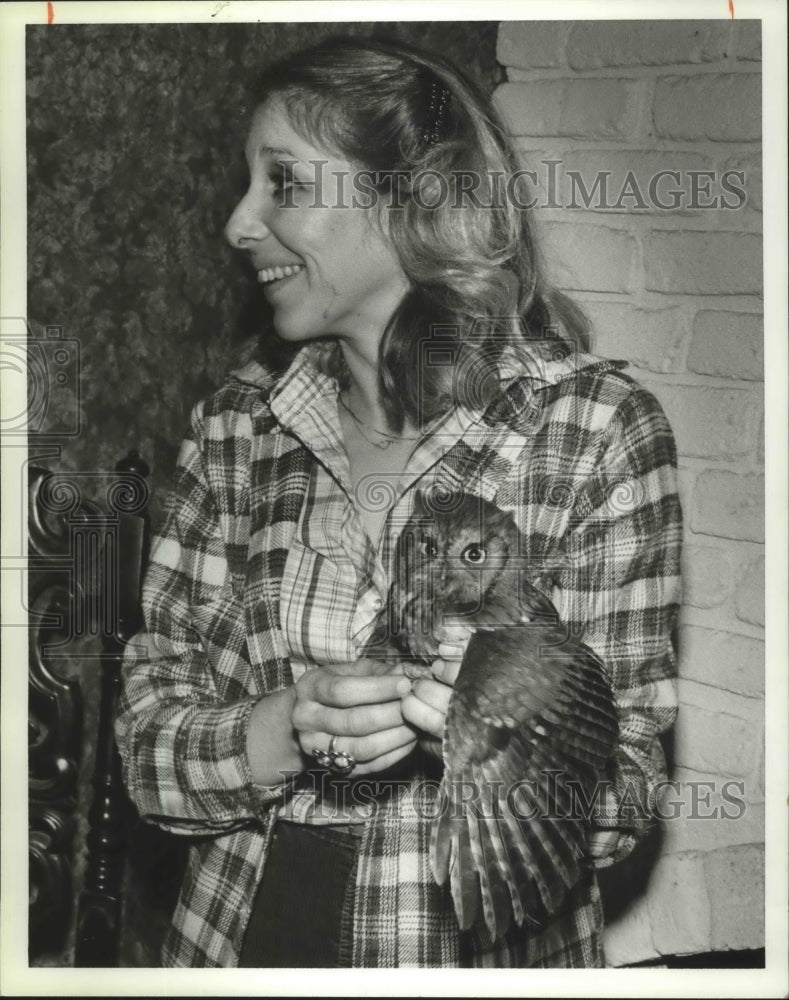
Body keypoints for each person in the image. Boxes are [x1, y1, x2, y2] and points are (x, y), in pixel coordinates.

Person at [115, 37, 682, 969]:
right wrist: (280, 731)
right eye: (245, 183)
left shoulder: (590, 432)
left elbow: (621, 797)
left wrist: (491, 729)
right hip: (234, 946)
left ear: (408, 198)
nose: (237, 222)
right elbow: (144, 750)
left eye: (283, 184)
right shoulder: (234, 429)